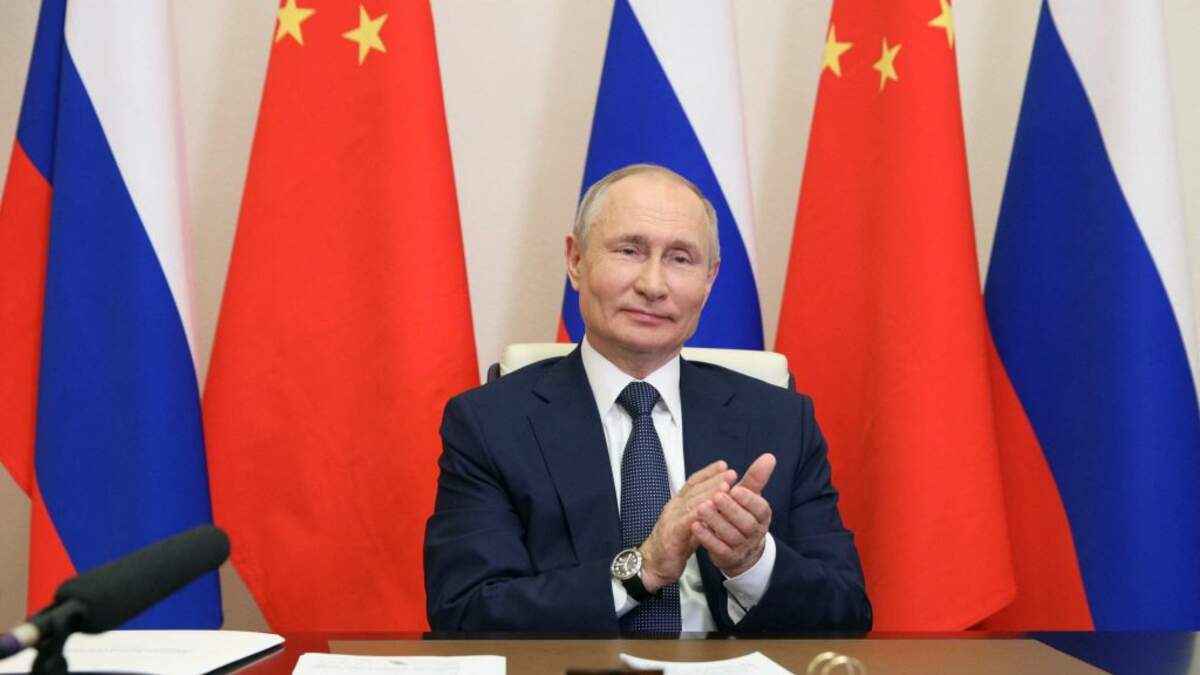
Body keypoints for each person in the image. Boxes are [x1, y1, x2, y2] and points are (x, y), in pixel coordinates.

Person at [424, 164, 871, 633]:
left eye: (680, 258)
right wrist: (645, 568)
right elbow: (465, 613)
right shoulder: (491, 424)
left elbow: (847, 613)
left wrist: (752, 563)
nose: (653, 285)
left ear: (709, 280)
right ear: (576, 261)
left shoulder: (780, 421)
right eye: (629, 251)